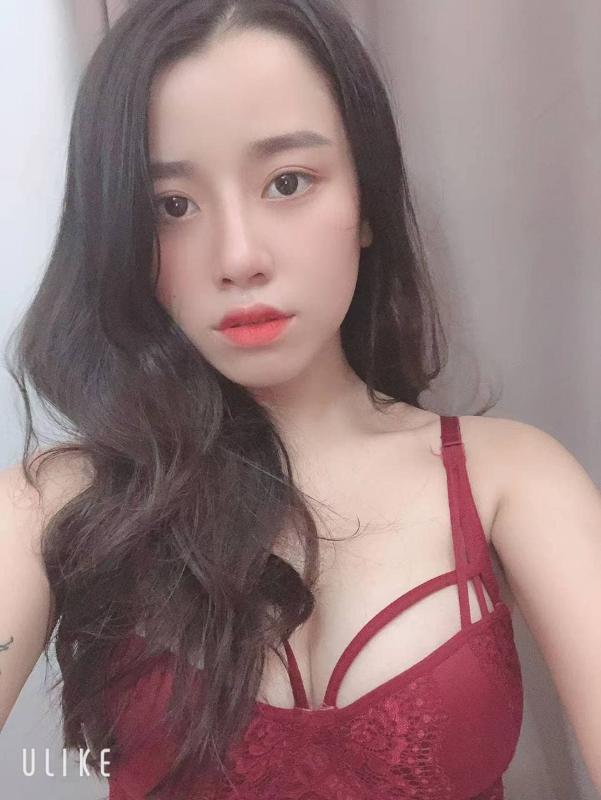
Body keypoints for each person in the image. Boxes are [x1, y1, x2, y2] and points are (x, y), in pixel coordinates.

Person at [1, 0, 600, 798]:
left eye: (287, 183)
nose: (238, 256)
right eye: (170, 206)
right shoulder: (57, 503)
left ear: (365, 203)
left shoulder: (510, 479)